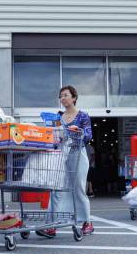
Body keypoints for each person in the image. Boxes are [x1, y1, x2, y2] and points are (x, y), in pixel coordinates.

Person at [36, 85, 94, 237]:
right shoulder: (58, 117)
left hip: (77, 154)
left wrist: (78, 131)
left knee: (78, 188)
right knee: (56, 189)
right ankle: (52, 224)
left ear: (74, 98)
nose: (63, 98)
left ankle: (87, 222)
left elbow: (88, 136)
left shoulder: (83, 116)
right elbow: (54, 137)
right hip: (61, 154)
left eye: (66, 95)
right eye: (61, 96)